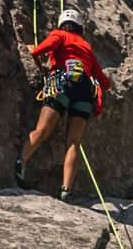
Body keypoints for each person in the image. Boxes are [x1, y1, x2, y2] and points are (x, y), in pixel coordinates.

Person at [17, 22, 110, 202]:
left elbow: (47, 46)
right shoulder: (86, 47)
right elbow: (104, 83)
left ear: (63, 25)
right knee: (73, 142)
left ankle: (22, 162)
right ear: (79, 29)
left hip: (62, 82)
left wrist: (34, 51)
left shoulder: (60, 34)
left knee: (42, 130)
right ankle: (66, 189)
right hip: (84, 90)